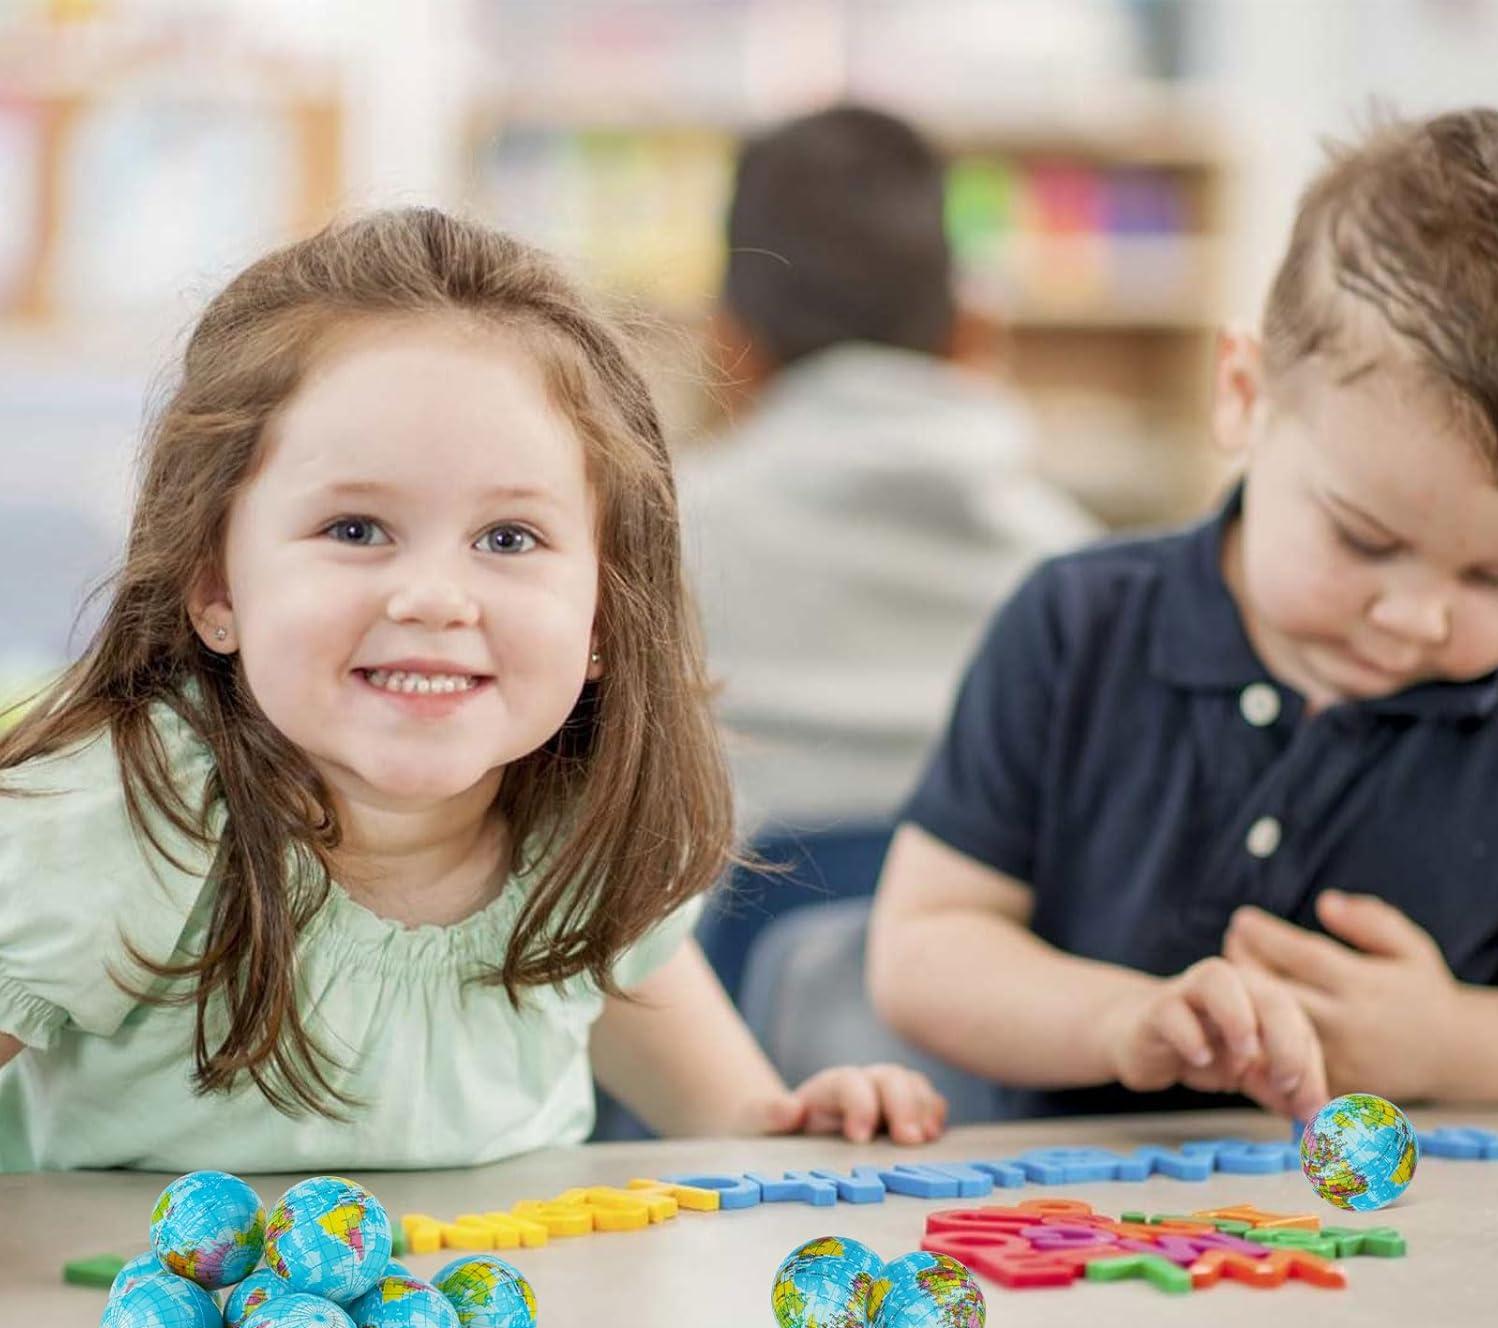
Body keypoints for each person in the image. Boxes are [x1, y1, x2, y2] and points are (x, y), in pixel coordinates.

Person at [0, 209, 946, 1172]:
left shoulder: (578, 840)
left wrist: (815, 1123)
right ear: (216, 586)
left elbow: (741, 1127)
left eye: (508, 539)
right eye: (357, 529)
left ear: (605, 620)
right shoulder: (120, 819)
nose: (435, 599)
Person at [868, 109, 1498, 1123]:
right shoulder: (1076, 629)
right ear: (1246, 396)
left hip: (1430, 1264)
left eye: (1493, 579)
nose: (1419, 617)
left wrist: (1452, 1043)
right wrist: (1123, 1019)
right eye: (1364, 540)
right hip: (1067, 1246)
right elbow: (924, 949)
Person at [680, 104, 1097, 833]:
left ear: (727, 345)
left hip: (714, 941)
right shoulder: (1082, 579)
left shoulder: (649, 548)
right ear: (973, 330)